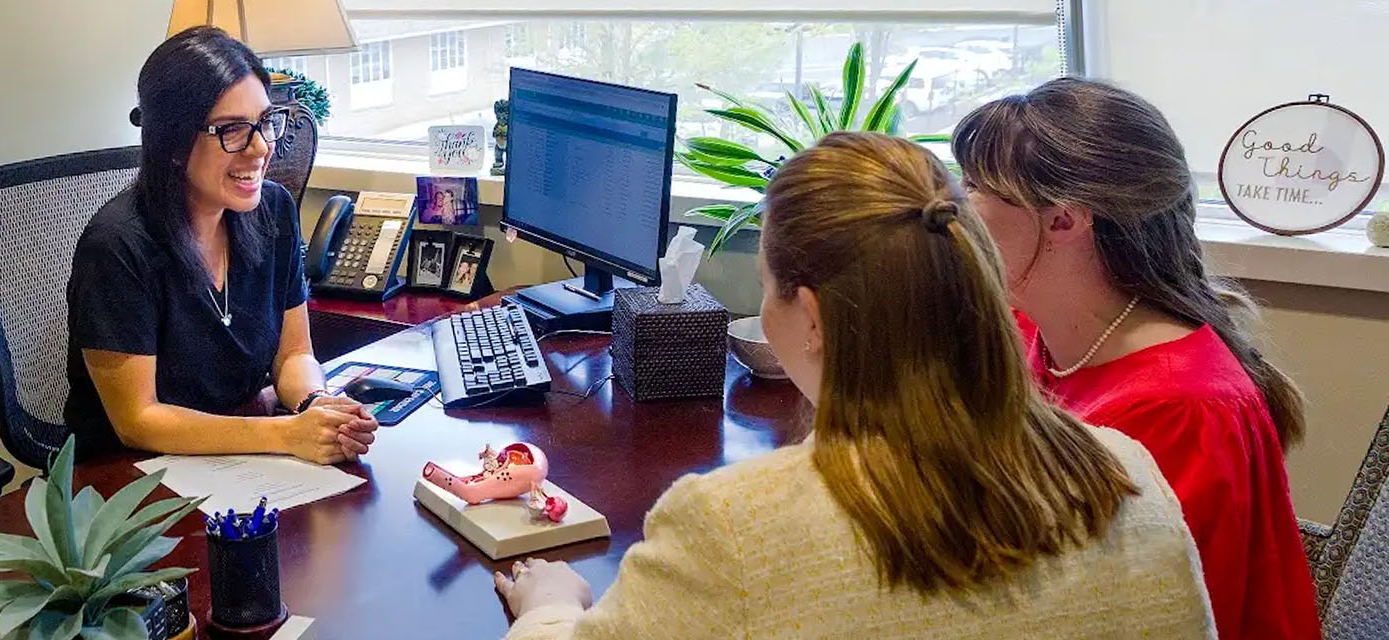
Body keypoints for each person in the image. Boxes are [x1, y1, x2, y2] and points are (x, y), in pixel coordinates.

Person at [490, 132, 1213, 639]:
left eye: (766, 287)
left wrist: (551, 607)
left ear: (810, 316)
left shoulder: (734, 523)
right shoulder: (1128, 471)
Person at [952, 78, 1318, 639]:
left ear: (1064, 220)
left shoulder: (1179, 410)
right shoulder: (1037, 328)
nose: (954, 205)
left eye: (972, 186)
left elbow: (1155, 619)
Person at [64, 27, 377, 463]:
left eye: (265, 121)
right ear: (173, 142)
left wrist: (315, 405)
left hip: (238, 460)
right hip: (128, 482)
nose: (262, 148)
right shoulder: (117, 247)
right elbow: (138, 419)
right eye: (232, 130)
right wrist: (286, 434)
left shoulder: (273, 211)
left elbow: (294, 353)